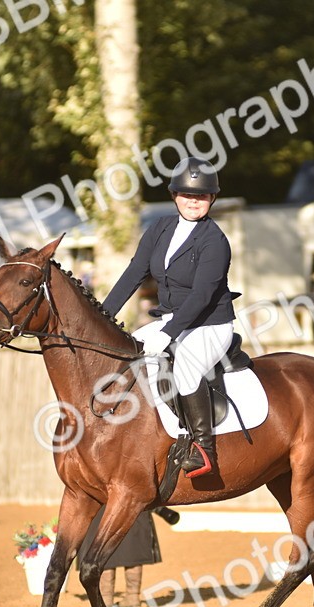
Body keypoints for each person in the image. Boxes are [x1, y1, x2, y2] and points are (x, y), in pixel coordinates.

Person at [101, 157, 239, 479]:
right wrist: (103, 315)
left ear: (211, 199)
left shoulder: (215, 241)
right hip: (171, 320)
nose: (194, 201)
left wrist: (170, 332)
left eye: (202, 196)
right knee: (127, 353)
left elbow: (202, 296)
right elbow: (135, 272)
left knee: (187, 367)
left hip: (209, 324)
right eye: (188, 195)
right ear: (174, 195)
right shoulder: (160, 228)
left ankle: (204, 448)